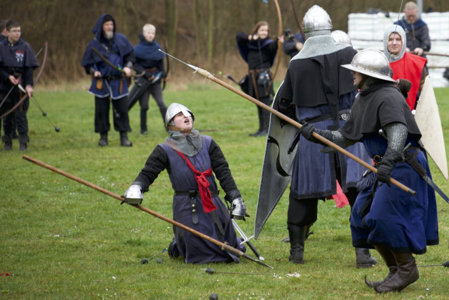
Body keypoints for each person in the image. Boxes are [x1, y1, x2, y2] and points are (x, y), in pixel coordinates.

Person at [298, 49, 439, 293]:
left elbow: (397, 132)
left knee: (384, 217)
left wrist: (389, 162)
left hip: (402, 165)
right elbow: (345, 135)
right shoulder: (363, 97)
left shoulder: (387, 96)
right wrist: (319, 136)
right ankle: (395, 270)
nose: (352, 74)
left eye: (356, 71)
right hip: (382, 165)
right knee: (361, 216)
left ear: (368, 74)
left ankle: (407, 270)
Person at [276, 5, 376, 267]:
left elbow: (283, 104)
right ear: (330, 26)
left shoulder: (296, 64)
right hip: (349, 131)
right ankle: (363, 254)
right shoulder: (351, 54)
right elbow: (368, 88)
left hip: (313, 136)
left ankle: (297, 251)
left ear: (307, 32)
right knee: (359, 191)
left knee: (303, 193)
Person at [123, 103, 247, 264]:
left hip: (213, 203)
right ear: (171, 124)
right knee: (200, 249)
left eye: (188, 114)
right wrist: (136, 187)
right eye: (180, 115)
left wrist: (235, 198)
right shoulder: (164, 149)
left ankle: (179, 245)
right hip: (188, 207)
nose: (186, 116)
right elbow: (148, 172)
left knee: (228, 243)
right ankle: (178, 244)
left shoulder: (209, 143)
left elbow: (224, 173)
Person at [81, 14, 134, 147]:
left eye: (111, 24)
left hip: (119, 81)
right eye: (107, 25)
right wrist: (94, 72)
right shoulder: (94, 44)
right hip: (102, 82)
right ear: (101, 27)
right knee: (101, 110)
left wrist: (128, 67)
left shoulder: (122, 39)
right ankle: (103, 138)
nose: (110, 27)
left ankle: (124, 137)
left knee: (122, 109)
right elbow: (87, 64)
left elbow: (131, 56)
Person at [236, 21, 283, 137]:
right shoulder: (250, 43)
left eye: (266, 31)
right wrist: (250, 37)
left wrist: (279, 42)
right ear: (256, 31)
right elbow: (238, 36)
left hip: (264, 77)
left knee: (265, 103)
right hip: (252, 76)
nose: (264, 33)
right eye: (262, 30)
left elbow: (273, 47)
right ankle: (261, 129)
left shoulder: (268, 44)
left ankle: (267, 130)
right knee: (258, 103)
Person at [0, 20, 39, 151]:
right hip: (5, 86)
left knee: (21, 115)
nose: (17, 34)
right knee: (7, 115)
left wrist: (29, 85)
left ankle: (23, 143)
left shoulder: (25, 47)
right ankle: (7, 142)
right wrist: (8, 76)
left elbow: (29, 69)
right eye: (14, 31)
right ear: (7, 32)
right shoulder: (1, 47)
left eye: (19, 31)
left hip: (21, 87)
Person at [128, 24, 168, 134]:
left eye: (153, 33)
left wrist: (164, 73)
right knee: (144, 105)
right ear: (144, 33)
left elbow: (160, 63)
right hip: (143, 80)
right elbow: (135, 65)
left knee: (161, 103)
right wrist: (145, 73)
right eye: (149, 33)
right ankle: (143, 129)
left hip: (156, 80)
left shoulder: (157, 47)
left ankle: (169, 128)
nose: (151, 35)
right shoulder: (137, 48)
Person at [384, 25, 427, 111]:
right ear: (385, 41)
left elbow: (426, 93)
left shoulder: (416, 63)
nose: (394, 43)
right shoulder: (378, 62)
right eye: (390, 39)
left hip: (410, 114)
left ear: (403, 41)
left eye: (398, 39)